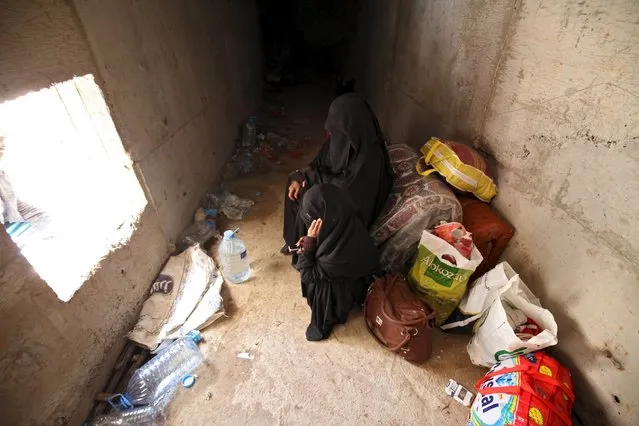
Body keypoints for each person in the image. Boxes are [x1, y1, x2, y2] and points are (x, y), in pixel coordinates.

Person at [282, 93, 393, 253]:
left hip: (351, 207)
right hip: (332, 185)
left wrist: (316, 183)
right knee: (295, 184)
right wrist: (301, 176)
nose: (332, 134)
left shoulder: (370, 157)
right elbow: (317, 164)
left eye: (337, 128)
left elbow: (350, 194)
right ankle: (294, 241)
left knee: (313, 199)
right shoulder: (338, 138)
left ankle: (310, 251)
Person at [294, 184, 381, 341]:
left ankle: (328, 320)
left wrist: (309, 244)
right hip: (353, 273)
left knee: (321, 288)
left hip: (344, 287)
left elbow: (307, 274)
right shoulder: (347, 221)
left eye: (313, 220)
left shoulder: (334, 259)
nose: (309, 225)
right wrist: (312, 241)